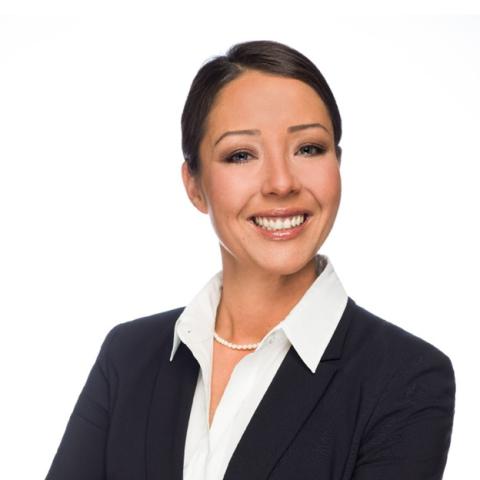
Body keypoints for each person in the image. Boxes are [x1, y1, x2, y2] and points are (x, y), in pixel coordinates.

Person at [45, 40, 456, 480]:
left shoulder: (407, 378)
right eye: (241, 154)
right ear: (195, 185)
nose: (281, 183)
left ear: (338, 163)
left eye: (309, 149)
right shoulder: (128, 357)